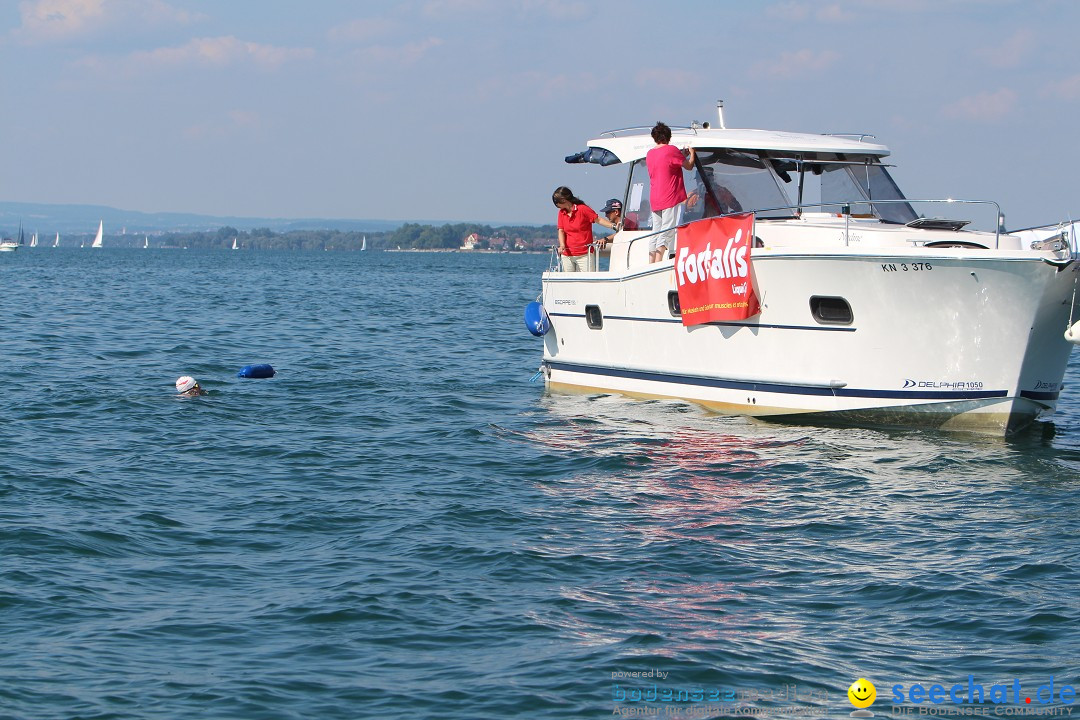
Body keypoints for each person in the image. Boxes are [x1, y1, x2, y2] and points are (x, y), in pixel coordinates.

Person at [646, 122, 696, 263]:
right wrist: (692, 154)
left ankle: (650, 262)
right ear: (668, 137)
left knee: (656, 230)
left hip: (655, 198)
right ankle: (658, 260)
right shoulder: (671, 150)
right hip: (669, 196)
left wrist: (680, 155)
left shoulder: (650, 154)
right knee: (667, 230)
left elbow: (666, 162)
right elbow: (689, 166)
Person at [552, 186, 617, 272]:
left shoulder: (583, 209)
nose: (556, 204)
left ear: (563, 200)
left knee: (588, 281)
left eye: (556, 202)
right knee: (568, 281)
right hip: (567, 254)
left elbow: (598, 219)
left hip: (584, 254)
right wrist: (562, 245)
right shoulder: (561, 213)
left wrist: (614, 226)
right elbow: (561, 230)